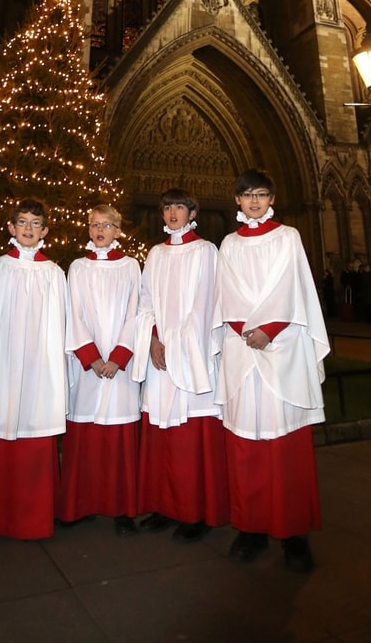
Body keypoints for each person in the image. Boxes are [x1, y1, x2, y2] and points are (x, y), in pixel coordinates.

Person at [215, 169, 329, 569]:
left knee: (286, 447)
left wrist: (270, 329)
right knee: (246, 444)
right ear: (238, 200)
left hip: (282, 350)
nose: (254, 201)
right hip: (244, 349)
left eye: (261, 194)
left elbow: (292, 288)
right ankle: (251, 529)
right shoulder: (229, 244)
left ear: (271, 199)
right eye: (247, 195)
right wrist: (247, 330)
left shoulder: (288, 237)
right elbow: (225, 292)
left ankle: (294, 534)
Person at [0, 198, 67, 541]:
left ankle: (31, 520)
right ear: (11, 227)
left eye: (35, 223)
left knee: (34, 429)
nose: (28, 228)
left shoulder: (54, 274)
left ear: (45, 231)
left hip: (38, 367)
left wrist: (51, 372)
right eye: (22, 222)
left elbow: (59, 327)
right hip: (1, 364)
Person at [132, 188, 229, 542]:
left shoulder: (205, 251)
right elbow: (145, 301)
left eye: (179, 207)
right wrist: (153, 339)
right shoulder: (156, 254)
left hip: (191, 357)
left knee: (191, 438)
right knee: (161, 435)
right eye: (167, 208)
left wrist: (177, 344)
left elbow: (206, 304)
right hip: (161, 356)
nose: (173, 213)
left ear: (192, 213)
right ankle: (163, 506)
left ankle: (195, 512)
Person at [58, 204, 141, 536]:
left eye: (107, 225)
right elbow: (73, 312)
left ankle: (122, 509)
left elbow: (135, 313)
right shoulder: (78, 267)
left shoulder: (131, 266)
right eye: (94, 224)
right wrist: (91, 357)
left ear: (118, 231)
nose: (100, 230)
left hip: (119, 367)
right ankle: (79, 504)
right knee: (85, 435)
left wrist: (118, 357)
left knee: (119, 436)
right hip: (88, 367)